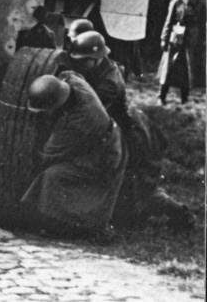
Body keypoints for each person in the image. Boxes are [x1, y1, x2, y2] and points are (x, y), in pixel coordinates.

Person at [66, 31, 195, 231]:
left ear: (98, 58)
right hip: (120, 129)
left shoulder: (109, 83)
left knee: (138, 189)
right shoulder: (102, 68)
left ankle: (181, 213)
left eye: (85, 61)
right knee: (128, 189)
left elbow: (94, 114)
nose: (81, 64)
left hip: (132, 136)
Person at [21, 72, 126, 240]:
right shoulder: (72, 81)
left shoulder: (80, 120)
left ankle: (65, 225)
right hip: (100, 137)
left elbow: (49, 155)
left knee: (53, 175)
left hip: (104, 153)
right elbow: (69, 73)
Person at [158, 0, 206, 105]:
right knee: (168, 68)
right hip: (176, 38)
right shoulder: (177, 1)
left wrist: (203, 40)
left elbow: (203, 24)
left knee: (187, 70)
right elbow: (168, 21)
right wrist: (164, 38)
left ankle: (184, 98)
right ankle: (161, 96)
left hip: (192, 41)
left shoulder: (202, 3)